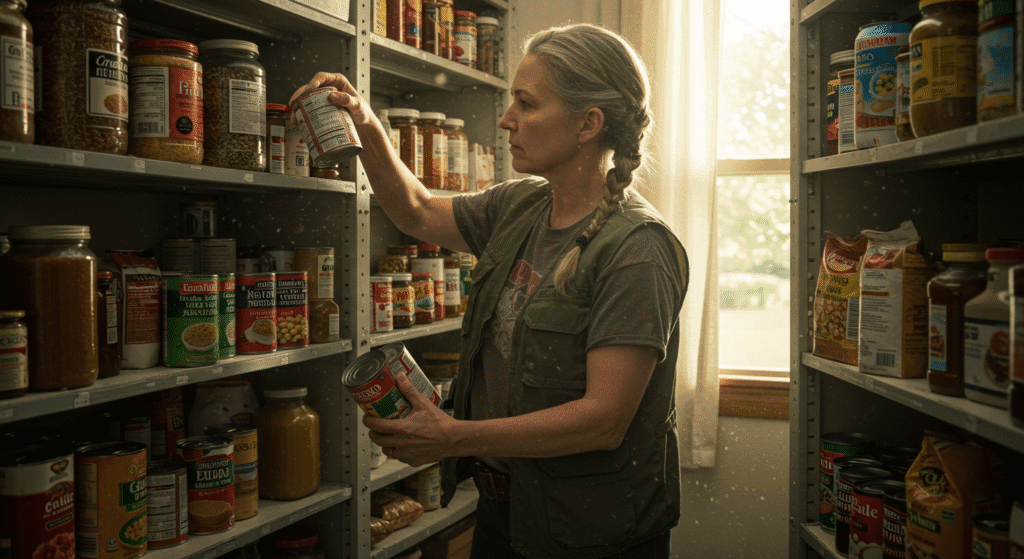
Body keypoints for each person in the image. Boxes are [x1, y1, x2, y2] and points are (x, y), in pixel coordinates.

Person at [291, 23, 689, 559]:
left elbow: (604, 420)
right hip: (504, 508)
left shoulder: (638, 249)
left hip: (592, 532)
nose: (506, 120)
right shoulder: (521, 206)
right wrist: (364, 123)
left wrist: (453, 437)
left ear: (587, 124)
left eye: (526, 104)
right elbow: (417, 210)